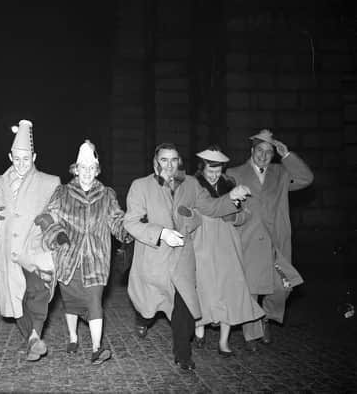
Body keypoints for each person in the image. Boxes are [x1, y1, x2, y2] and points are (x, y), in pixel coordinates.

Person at [124, 142, 251, 370]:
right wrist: (161, 233)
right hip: (154, 259)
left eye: (174, 160)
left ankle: (183, 355)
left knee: (184, 311)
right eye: (164, 160)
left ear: (179, 162)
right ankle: (143, 319)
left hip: (182, 258)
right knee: (149, 306)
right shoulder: (140, 186)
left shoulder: (191, 184)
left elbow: (211, 207)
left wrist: (231, 197)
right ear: (155, 163)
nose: (169, 165)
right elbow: (131, 222)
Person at [38, 140, 132, 365]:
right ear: (76, 169)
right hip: (68, 256)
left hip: (97, 258)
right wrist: (58, 235)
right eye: (83, 168)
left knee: (94, 301)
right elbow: (47, 218)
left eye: (92, 168)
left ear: (97, 170)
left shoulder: (107, 194)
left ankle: (97, 348)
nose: (87, 173)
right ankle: (72, 337)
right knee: (71, 302)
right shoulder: (62, 192)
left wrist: (128, 232)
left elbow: (116, 219)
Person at [227, 129, 311, 349]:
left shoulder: (281, 174)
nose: (263, 156)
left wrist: (287, 156)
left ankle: (267, 318)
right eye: (259, 150)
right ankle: (251, 335)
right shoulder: (234, 173)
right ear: (251, 150)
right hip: (249, 239)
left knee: (283, 286)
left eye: (269, 152)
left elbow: (305, 178)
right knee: (252, 288)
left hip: (276, 240)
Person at [0, 120, 61, 362]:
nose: (21, 163)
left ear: (34, 156)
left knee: (36, 294)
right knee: (14, 300)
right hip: (6, 250)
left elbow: (57, 213)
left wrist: (49, 224)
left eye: (26, 158)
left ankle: (34, 337)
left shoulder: (50, 182)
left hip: (35, 249)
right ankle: (31, 339)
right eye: (17, 158)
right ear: (10, 156)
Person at [192, 146, 265, 356]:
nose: (214, 175)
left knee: (228, 291)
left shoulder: (231, 184)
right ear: (202, 168)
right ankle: (199, 329)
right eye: (209, 170)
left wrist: (234, 217)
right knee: (202, 287)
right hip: (202, 243)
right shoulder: (193, 186)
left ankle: (224, 342)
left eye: (218, 170)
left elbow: (246, 214)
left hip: (227, 245)